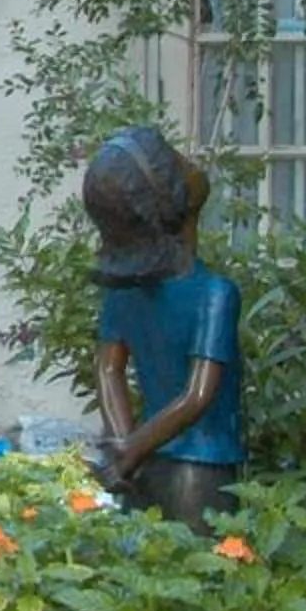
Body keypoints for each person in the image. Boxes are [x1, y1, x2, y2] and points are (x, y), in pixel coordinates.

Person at [82, 126, 245, 531]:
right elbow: (198, 396)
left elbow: (107, 370)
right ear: (173, 201)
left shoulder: (123, 292)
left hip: (145, 468)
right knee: (206, 578)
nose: (192, 164)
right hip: (202, 472)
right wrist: (129, 448)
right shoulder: (214, 293)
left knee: (148, 577)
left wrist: (127, 449)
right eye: (181, 162)